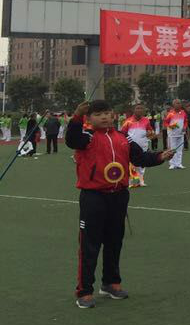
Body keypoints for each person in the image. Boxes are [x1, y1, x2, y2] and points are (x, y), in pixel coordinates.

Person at [65, 100, 173, 308]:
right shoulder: (86, 137)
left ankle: (111, 283)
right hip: (93, 197)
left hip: (119, 196)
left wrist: (160, 156)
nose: (104, 117)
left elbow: (139, 158)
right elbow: (71, 139)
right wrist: (77, 116)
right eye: (98, 114)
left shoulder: (124, 137)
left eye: (107, 113)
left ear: (113, 115)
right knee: (89, 245)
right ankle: (84, 290)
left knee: (114, 242)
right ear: (89, 118)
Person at [122, 105, 152, 187]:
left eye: (141, 108)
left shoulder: (146, 120)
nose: (139, 110)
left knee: (142, 163)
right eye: (137, 108)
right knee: (131, 163)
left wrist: (149, 132)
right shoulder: (128, 121)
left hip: (143, 145)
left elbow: (150, 130)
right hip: (131, 146)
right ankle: (130, 181)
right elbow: (123, 132)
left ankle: (141, 181)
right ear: (134, 110)